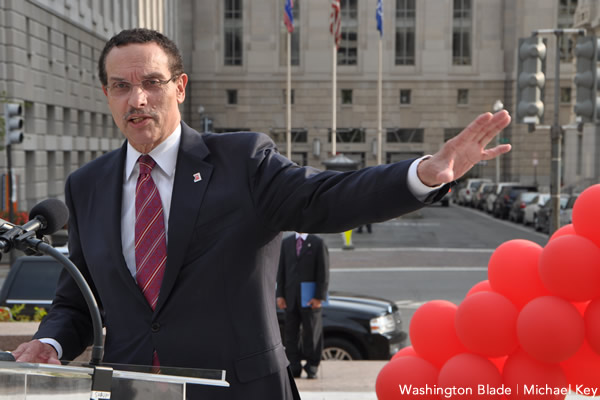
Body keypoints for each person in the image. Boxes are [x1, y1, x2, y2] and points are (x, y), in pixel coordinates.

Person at [11, 28, 511, 400]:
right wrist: (51, 342)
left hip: (242, 390)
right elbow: (78, 301)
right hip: (135, 390)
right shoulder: (87, 185)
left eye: (152, 83)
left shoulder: (242, 161)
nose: (137, 99)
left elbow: (328, 197)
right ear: (106, 95)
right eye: (121, 86)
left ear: (180, 87)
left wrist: (424, 173)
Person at [276, 232, 329, 379]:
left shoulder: (317, 242)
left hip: (310, 298)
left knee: (312, 332)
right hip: (290, 297)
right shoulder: (286, 243)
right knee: (291, 334)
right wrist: (280, 294)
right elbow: (281, 271)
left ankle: (312, 365)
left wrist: (319, 297)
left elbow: (323, 271)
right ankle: (294, 365)